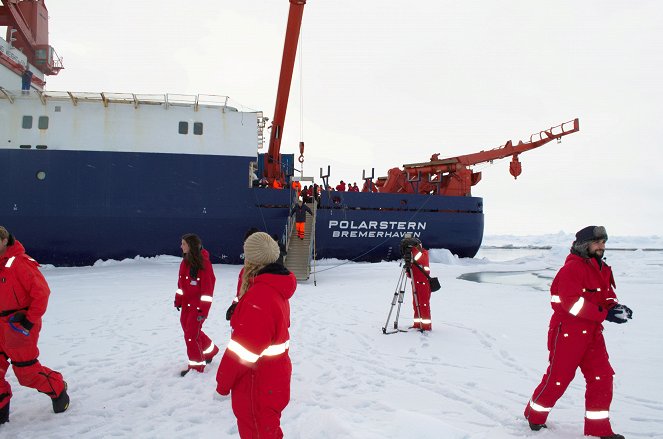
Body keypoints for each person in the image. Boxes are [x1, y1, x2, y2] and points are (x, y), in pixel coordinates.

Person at [524, 226, 633, 439]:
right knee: (559, 378)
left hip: (592, 333)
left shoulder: (602, 268)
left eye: (604, 242)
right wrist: (604, 314)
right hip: (567, 333)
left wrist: (614, 308)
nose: (602, 246)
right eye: (598, 242)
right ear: (585, 245)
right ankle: (534, 415)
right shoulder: (571, 270)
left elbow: (606, 295)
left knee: (602, 377)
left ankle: (598, 430)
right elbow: (570, 304)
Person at [216, 232, 296, 438]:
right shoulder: (273, 287)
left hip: (257, 384)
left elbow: (244, 351)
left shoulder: (260, 296)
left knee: (258, 432)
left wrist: (223, 384)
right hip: (272, 379)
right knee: (268, 431)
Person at [0, 226, 69, 425]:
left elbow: (41, 294)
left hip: (18, 326)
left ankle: (57, 387)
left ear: (4, 241)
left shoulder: (21, 264)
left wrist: (29, 321)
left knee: (26, 374)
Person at [174, 233, 219, 376]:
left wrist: (202, 311)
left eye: (184, 244)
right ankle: (210, 351)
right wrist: (178, 300)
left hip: (197, 307)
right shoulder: (184, 262)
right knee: (190, 330)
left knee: (190, 335)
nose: (181, 246)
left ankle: (196, 367)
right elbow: (181, 285)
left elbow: (208, 290)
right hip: (186, 305)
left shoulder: (204, 264)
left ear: (191, 246)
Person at [407, 239, 433, 331]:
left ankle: (426, 326)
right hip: (415, 282)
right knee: (416, 304)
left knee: (424, 304)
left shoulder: (424, 253)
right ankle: (417, 324)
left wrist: (412, 249)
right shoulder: (413, 255)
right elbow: (410, 273)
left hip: (423, 283)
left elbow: (419, 258)